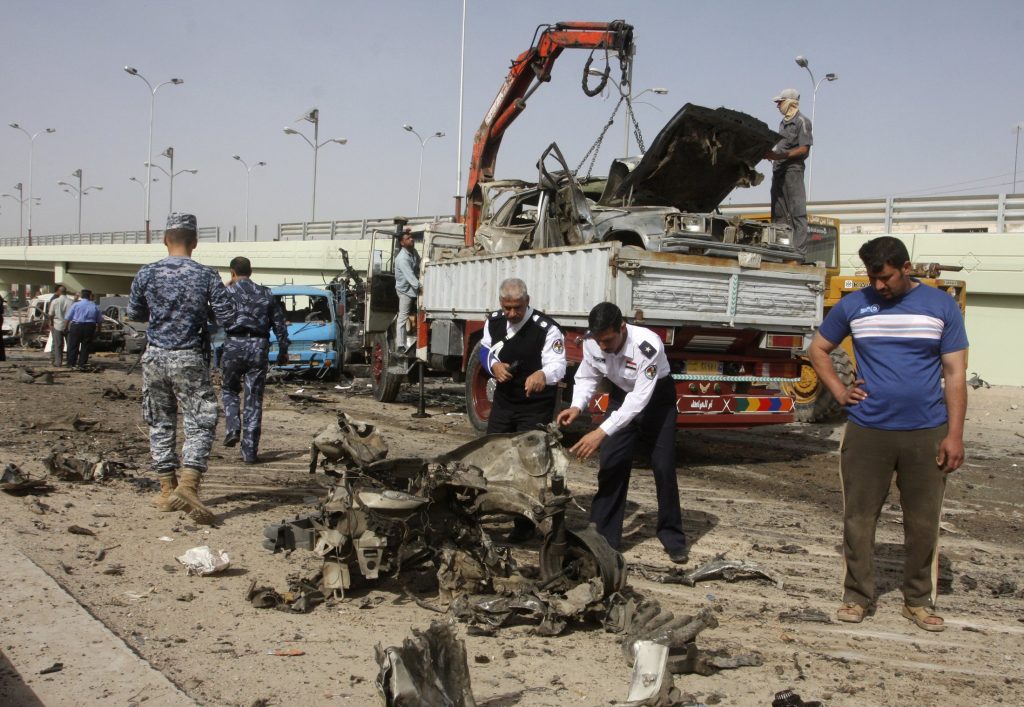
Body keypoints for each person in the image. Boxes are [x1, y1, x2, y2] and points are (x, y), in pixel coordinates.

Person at [808, 236, 968, 632]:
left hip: (927, 431)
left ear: (906, 268)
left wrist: (955, 435)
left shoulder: (941, 306)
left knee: (923, 521)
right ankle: (857, 597)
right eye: (872, 277)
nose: (879, 286)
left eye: (886, 277)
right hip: (867, 431)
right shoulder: (854, 305)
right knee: (859, 518)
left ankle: (917, 600)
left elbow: (955, 374)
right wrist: (840, 391)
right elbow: (818, 349)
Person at [556, 302, 688, 564]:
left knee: (663, 467)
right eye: (599, 341)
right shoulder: (593, 341)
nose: (603, 346)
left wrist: (600, 432)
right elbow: (587, 376)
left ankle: (672, 537)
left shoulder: (647, 346)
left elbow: (638, 401)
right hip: (620, 396)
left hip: (655, 400)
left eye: (608, 340)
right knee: (612, 463)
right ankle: (603, 539)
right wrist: (576, 405)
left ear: (622, 327)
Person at [128, 212, 235, 525]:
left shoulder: (146, 273)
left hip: (154, 356)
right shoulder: (205, 275)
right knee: (201, 419)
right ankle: (188, 485)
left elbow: (135, 312)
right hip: (188, 356)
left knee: (159, 420)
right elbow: (228, 317)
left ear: (165, 240)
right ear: (195, 243)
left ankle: (166, 489)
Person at [480, 277, 566, 542]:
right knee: (490, 456)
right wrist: (493, 366)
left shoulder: (546, 328)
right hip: (505, 403)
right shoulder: (494, 321)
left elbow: (558, 365)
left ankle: (525, 524)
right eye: (507, 308)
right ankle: (487, 510)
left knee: (530, 464)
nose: (512, 314)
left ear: (527, 302)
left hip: (534, 406)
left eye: (517, 307)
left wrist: (542, 374)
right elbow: (484, 350)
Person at [220, 256, 290, 464]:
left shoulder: (227, 292)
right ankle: (249, 451)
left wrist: (227, 286)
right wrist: (283, 350)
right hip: (258, 347)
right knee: (253, 398)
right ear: (251, 272)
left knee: (229, 389)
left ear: (232, 272)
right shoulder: (265, 293)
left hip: (233, 345)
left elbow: (213, 315)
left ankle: (232, 427)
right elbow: (279, 324)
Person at [764, 87, 813, 260]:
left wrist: (780, 155)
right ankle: (780, 251)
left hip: (793, 170)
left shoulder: (802, 121)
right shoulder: (782, 123)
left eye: (780, 102)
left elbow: (804, 150)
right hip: (778, 170)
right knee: (779, 213)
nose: (778, 105)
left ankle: (798, 254)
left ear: (790, 102)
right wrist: (773, 155)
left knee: (797, 212)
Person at [394, 227, 421, 353]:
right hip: (405, 291)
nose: (411, 240)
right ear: (402, 243)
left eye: (411, 237)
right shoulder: (402, 258)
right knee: (403, 317)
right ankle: (400, 345)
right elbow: (410, 277)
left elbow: (419, 266)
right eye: (408, 238)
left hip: (414, 288)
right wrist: (422, 287)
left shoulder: (413, 252)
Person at [64, 289, 103, 369]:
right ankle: (82, 363)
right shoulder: (95, 306)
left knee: (73, 345)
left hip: (76, 326)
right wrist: (99, 330)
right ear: (90, 296)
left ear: (82, 296)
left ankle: (71, 363)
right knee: (86, 345)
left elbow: (68, 317)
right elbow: (99, 320)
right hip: (89, 327)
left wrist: (65, 327)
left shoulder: (76, 305)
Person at [47, 284, 75, 367]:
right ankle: (70, 362)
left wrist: (51, 323)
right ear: (65, 292)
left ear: (59, 292)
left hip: (57, 325)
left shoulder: (55, 301)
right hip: (69, 326)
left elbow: (50, 314)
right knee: (70, 345)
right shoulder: (71, 302)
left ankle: (58, 362)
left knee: (58, 345)